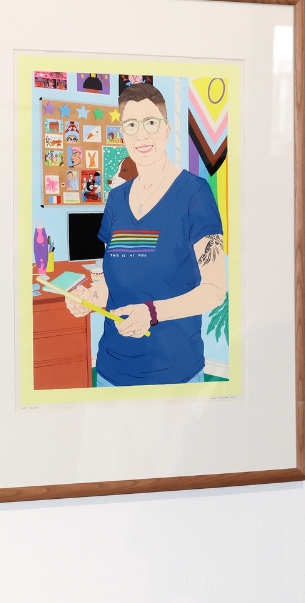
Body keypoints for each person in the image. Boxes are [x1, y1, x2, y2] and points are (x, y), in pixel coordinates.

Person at [65, 83, 227, 386]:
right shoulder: (116, 200)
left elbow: (215, 289)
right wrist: (89, 298)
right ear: (123, 134)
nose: (141, 135)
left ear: (166, 130)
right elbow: (107, 281)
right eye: (131, 125)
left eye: (151, 123)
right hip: (112, 371)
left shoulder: (195, 194)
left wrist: (152, 313)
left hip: (174, 374)